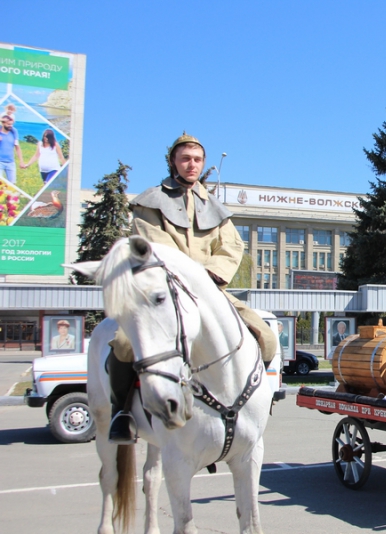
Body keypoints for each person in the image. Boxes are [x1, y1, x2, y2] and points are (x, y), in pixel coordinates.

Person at [106, 133, 278, 444]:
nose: (192, 164)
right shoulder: (150, 201)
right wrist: (187, 277)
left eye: (197, 159)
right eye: (185, 158)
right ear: (173, 161)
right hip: (165, 290)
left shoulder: (214, 206)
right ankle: (122, 413)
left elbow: (232, 246)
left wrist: (210, 277)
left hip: (211, 289)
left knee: (265, 337)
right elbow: (154, 245)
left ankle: (249, 401)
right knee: (122, 343)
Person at [0, 114, 23, 184]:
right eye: (8, 124)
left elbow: (17, 148)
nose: (10, 126)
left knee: (12, 184)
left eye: (11, 124)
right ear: (3, 123)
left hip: (11, 163)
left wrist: (21, 161)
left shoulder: (13, 133)